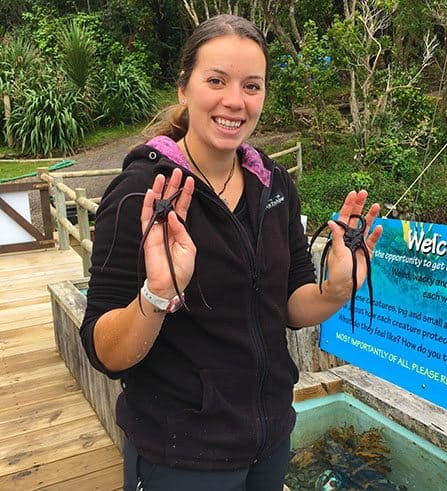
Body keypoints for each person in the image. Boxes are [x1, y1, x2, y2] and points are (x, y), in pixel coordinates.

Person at [80, 14, 382, 491]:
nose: (235, 101)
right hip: (180, 455)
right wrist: (158, 293)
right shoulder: (142, 193)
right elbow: (104, 351)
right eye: (216, 80)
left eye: (252, 86)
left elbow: (291, 305)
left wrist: (336, 289)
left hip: (270, 439)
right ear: (184, 88)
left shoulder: (275, 185)